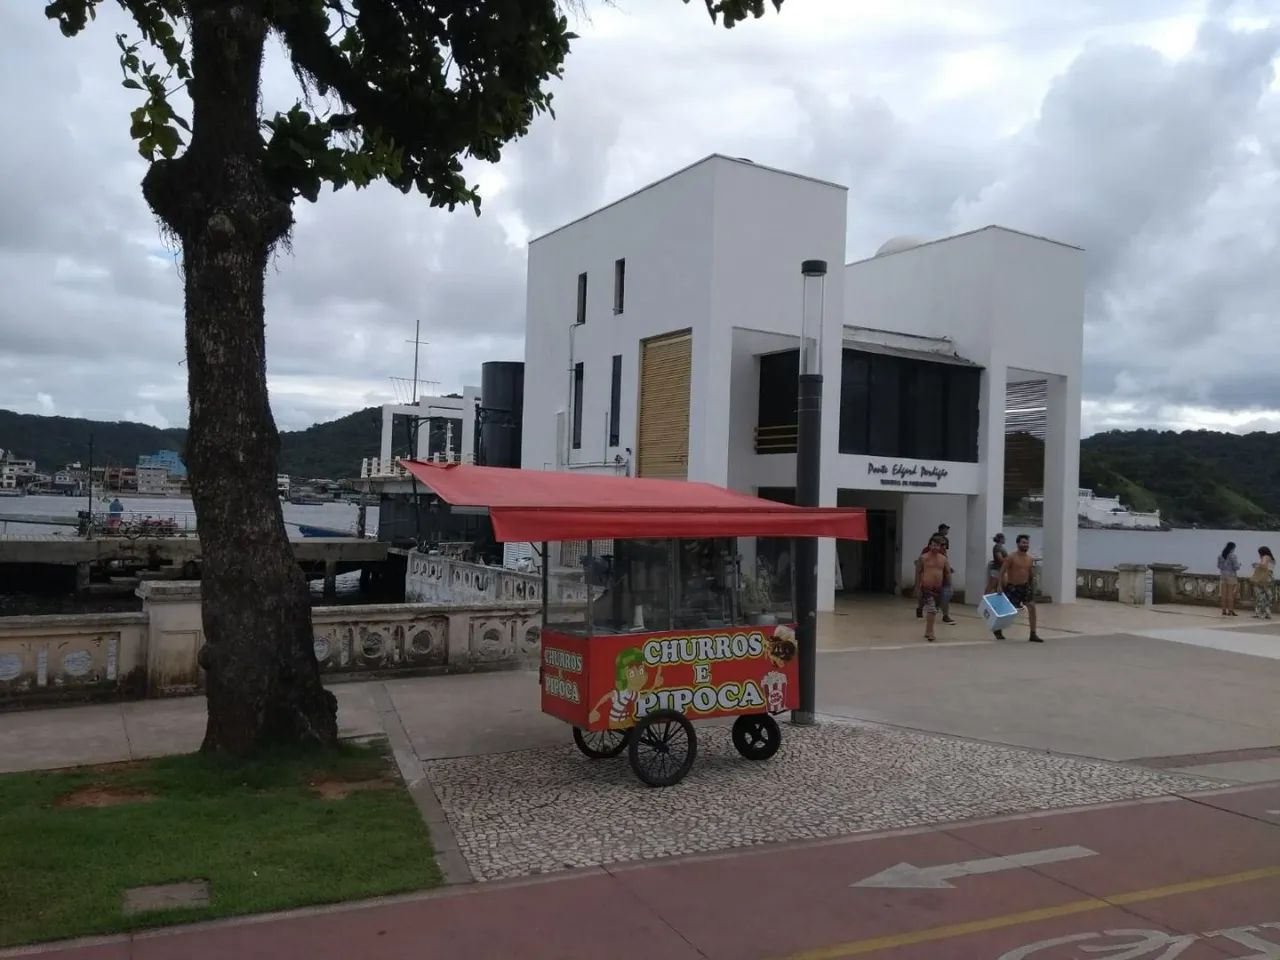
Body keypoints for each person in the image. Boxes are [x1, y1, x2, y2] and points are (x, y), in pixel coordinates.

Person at [998, 533, 1042, 642]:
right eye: (1023, 543)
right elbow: (1002, 571)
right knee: (1006, 610)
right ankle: (998, 629)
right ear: (1018, 544)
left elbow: (1030, 573)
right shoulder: (1011, 557)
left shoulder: (1029, 559)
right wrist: (999, 585)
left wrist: (1032, 586)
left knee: (1032, 607)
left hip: (1025, 586)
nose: (1025, 545)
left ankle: (1033, 633)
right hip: (1013, 587)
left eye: (1027, 543)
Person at [915, 536, 950, 642]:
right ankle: (931, 632)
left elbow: (947, 573)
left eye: (937, 545)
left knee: (935, 609)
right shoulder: (923, 558)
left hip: (939, 589)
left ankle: (927, 630)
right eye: (933, 544)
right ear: (929, 545)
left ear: (940, 547)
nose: (935, 547)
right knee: (932, 609)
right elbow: (918, 573)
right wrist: (917, 587)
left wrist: (949, 586)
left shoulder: (943, 559)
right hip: (927, 588)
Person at [1251, 546, 1275, 620]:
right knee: (1268, 597)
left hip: (1262, 579)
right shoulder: (1272, 559)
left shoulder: (1265, 557)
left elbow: (1264, 565)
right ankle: (1267, 613)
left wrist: (1256, 564)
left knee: (1260, 596)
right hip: (1269, 579)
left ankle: (1259, 613)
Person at [1217, 541, 1240, 617]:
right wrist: (1239, 565)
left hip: (1223, 576)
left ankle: (1223, 610)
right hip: (1231, 576)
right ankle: (1230, 610)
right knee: (1230, 595)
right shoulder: (1233, 556)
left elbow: (1219, 566)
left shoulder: (1221, 556)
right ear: (1232, 548)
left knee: (1223, 594)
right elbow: (1236, 567)